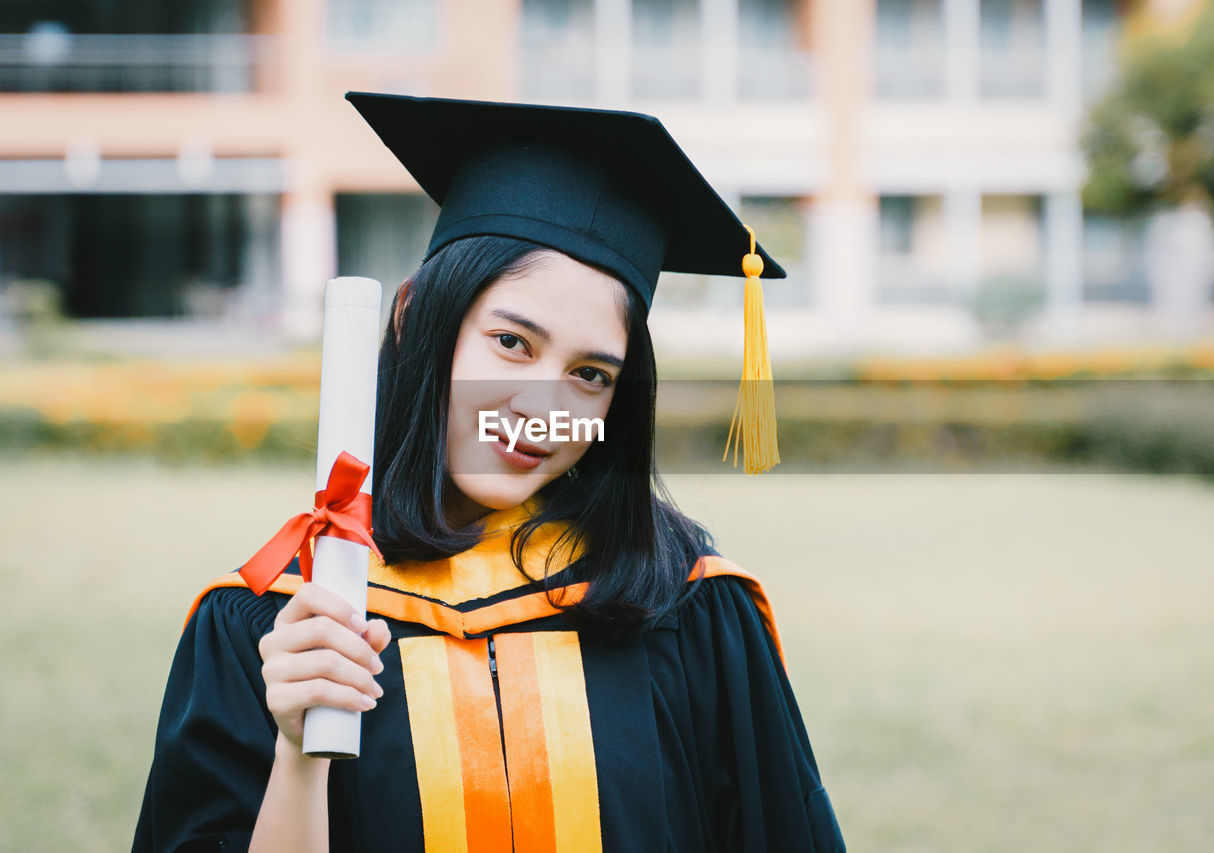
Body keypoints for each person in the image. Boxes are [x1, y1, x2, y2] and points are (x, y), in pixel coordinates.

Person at [133, 94, 845, 853]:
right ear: (415, 317)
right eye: (511, 342)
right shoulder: (278, 621)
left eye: (592, 373)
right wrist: (297, 751)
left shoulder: (689, 606)